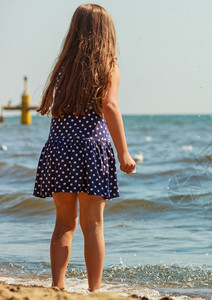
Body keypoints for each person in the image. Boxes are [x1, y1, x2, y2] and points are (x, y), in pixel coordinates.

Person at [33, 4, 135, 292]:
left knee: (64, 222)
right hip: (91, 150)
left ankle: (57, 286)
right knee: (93, 226)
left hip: (60, 148)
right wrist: (123, 152)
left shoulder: (63, 67)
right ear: (106, 33)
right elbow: (110, 105)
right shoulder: (109, 67)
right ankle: (94, 290)